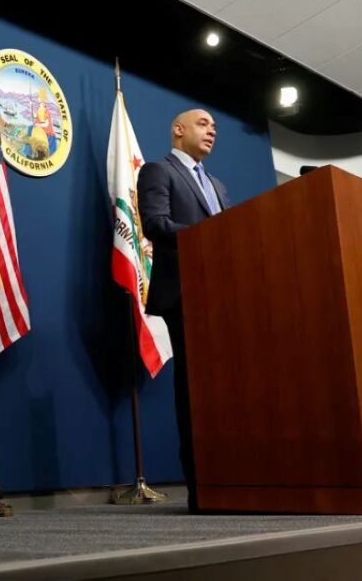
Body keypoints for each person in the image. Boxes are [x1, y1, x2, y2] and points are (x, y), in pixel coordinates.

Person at [136, 108, 229, 513]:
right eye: (203, 124)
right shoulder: (159, 171)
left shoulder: (219, 186)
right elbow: (155, 224)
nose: (212, 130)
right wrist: (210, 237)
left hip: (225, 298)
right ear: (178, 130)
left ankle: (234, 481)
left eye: (214, 127)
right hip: (186, 295)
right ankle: (202, 488)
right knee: (195, 389)